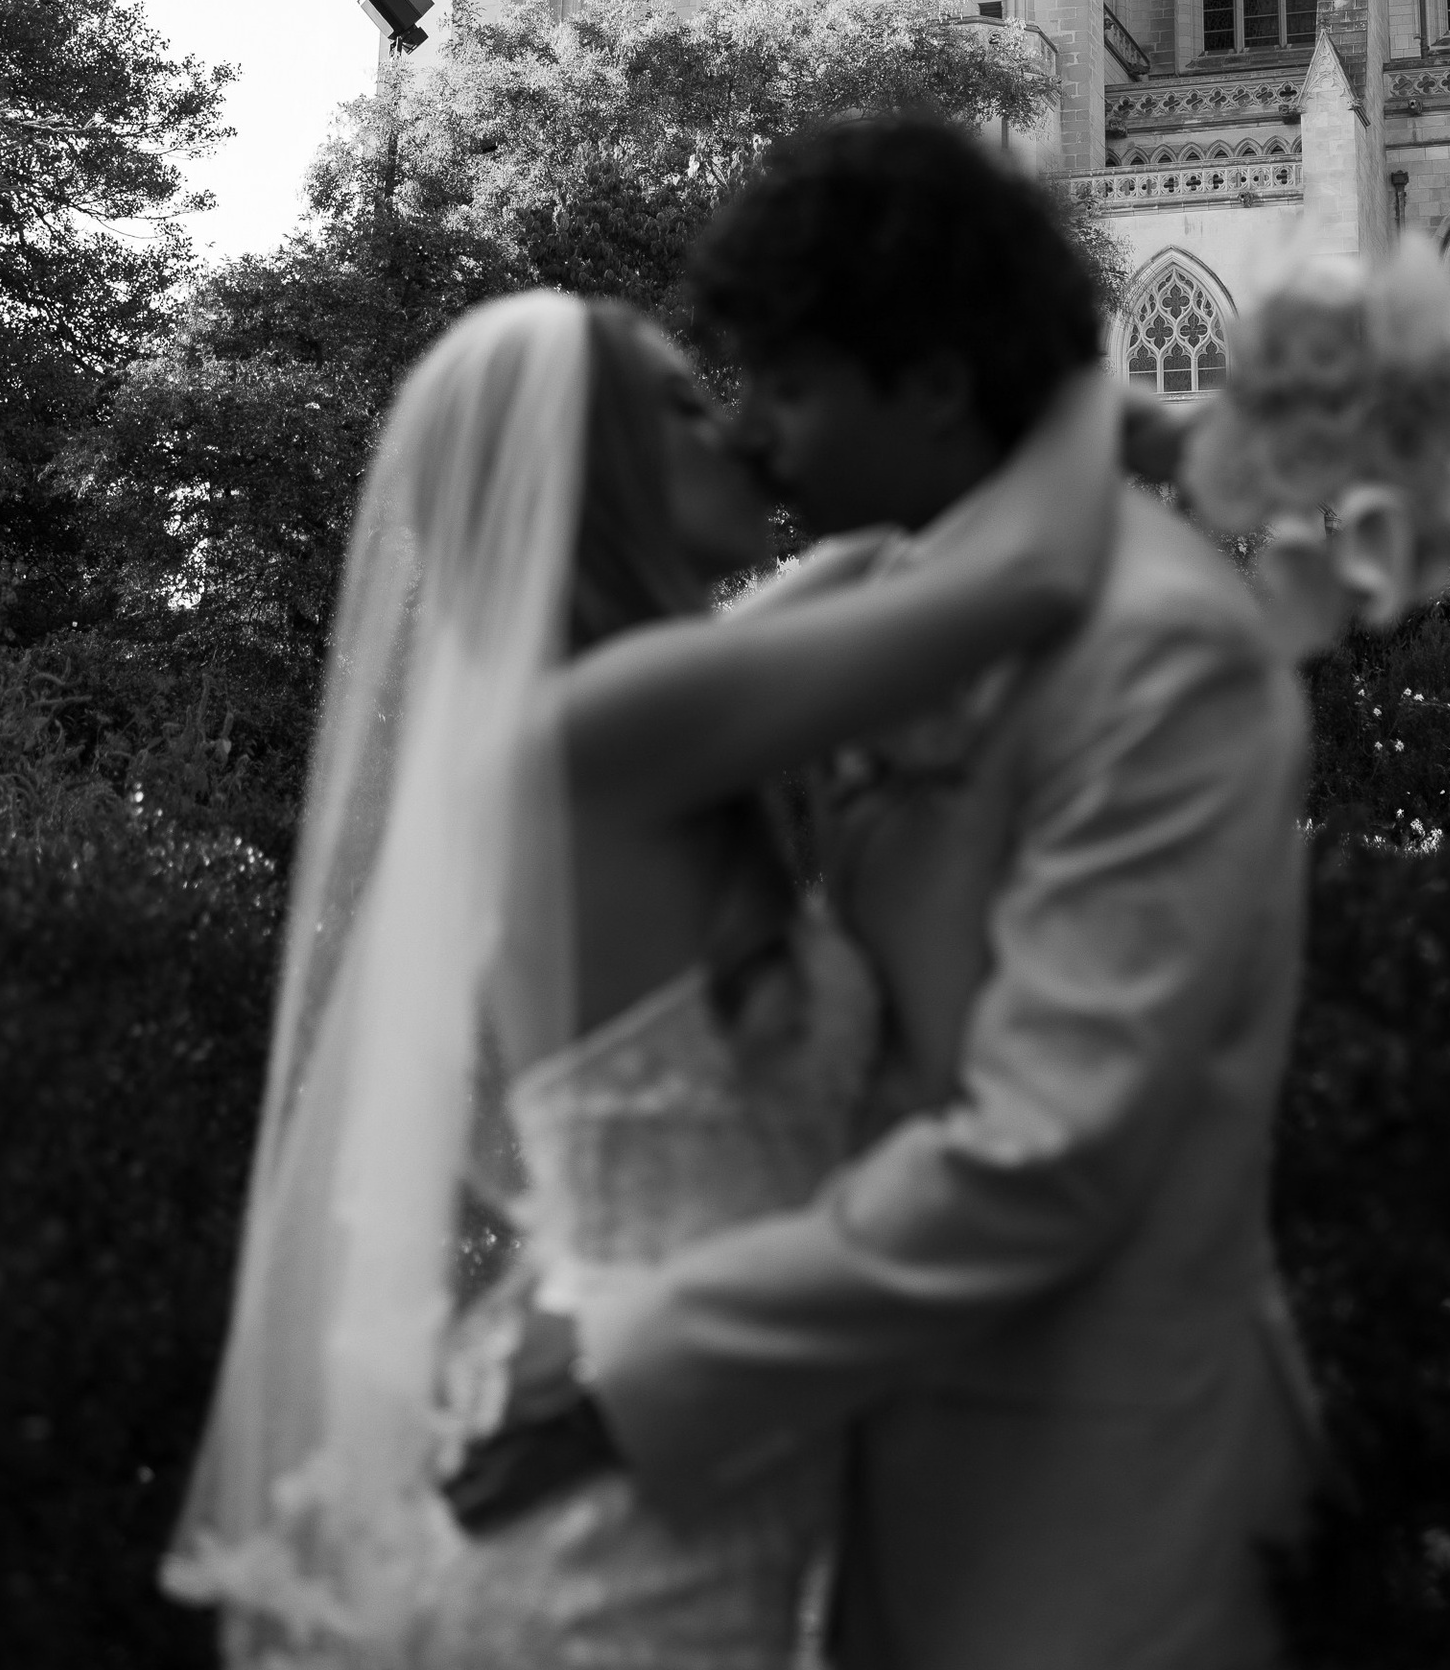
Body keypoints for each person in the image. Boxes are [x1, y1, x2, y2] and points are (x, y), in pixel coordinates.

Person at [161, 260, 1116, 1668]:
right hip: (617, 1550)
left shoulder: (618, 713)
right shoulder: (604, 724)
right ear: (592, 477)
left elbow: (862, 570)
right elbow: (1027, 570)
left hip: (672, 1464)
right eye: (681, 407)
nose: (733, 430)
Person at [454, 118, 1319, 1670]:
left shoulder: (1160, 646)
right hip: (814, 1478)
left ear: (925, 386)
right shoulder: (877, 596)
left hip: (1073, 1505)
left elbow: (1046, 1157)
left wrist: (632, 1373)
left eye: (786, 386)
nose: (756, 436)